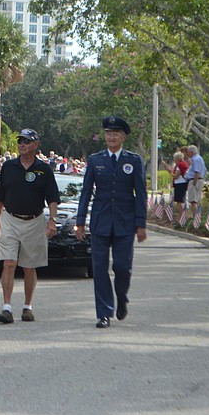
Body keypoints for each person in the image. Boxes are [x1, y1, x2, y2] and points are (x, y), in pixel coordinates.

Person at [76, 116, 147, 329]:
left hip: (125, 223)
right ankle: (104, 312)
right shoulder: (96, 160)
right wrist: (80, 222)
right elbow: (86, 192)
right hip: (100, 221)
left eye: (116, 133)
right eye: (108, 133)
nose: (111, 137)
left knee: (122, 267)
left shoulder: (133, 160)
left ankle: (122, 296)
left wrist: (141, 224)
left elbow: (141, 194)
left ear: (123, 136)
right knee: (99, 269)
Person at [0, 129, 60, 324]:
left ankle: (27, 306)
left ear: (36, 144)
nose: (22, 144)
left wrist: (52, 220)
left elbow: (53, 198)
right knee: (8, 263)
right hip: (10, 220)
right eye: (20, 141)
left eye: (27, 141)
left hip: (34, 221)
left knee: (29, 267)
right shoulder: (9, 167)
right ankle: (6, 307)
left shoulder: (44, 169)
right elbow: (0, 197)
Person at [185, 145, 207, 221]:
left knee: (193, 201)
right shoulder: (198, 158)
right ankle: (196, 218)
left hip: (195, 181)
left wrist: (194, 182)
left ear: (191, 152)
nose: (187, 153)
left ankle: (196, 219)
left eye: (188, 152)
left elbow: (197, 172)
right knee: (194, 200)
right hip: (197, 180)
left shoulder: (196, 159)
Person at [166, 151, 189, 219]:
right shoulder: (183, 164)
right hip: (183, 183)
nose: (174, 160)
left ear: (178, 158)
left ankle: (181, 217)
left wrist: (170, 172)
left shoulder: (180, 164)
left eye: (174, 158)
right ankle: (183, 216)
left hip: (180, 184)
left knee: (179, 201)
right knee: (182, 200)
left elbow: (176, 176)